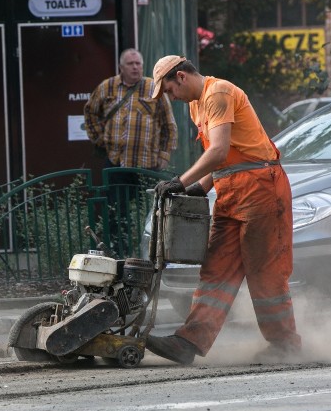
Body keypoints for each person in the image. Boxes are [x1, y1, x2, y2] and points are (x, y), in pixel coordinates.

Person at [146, 55, 301, 365]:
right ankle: (188, 342)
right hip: (231, 191)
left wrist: (181, 181)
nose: (170, 98)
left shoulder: (218, 93)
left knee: (265, 273)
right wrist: (198, 188)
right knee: (216, 268)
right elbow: (224, 160)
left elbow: (218, 151)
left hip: (262, 187)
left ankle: (285, 344)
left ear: (181, 77)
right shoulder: (195, 105)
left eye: (168, 91)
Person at [84, 48, 177, 252]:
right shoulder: (107, 87)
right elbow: (90, 112)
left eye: (138, 64)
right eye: (130, 64)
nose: (135, 67)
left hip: (147, 165)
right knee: (118, 213)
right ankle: (121, 253)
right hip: (117, 164)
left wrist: (164, 155)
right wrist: (100, 138)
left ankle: (153, 252)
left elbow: (169, 126)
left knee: (153, 212)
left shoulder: (154, 87)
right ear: (121, 67)